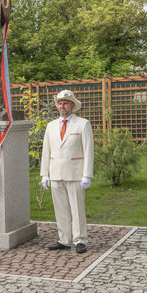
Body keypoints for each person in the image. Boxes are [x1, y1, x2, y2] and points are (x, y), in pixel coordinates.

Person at [40, 90, 94, 254]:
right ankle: (64, 239)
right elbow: (46, 151)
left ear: (72, 105)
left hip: (76, 174)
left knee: (77, 208)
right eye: (60, 103)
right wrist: (44, 174)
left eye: (66, 103)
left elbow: (88, 151)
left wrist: (87, 175)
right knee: (60, 209)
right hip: (56, 174)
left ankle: (80, 240)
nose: (62, 106)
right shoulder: (51, 126)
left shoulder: (83, 124)